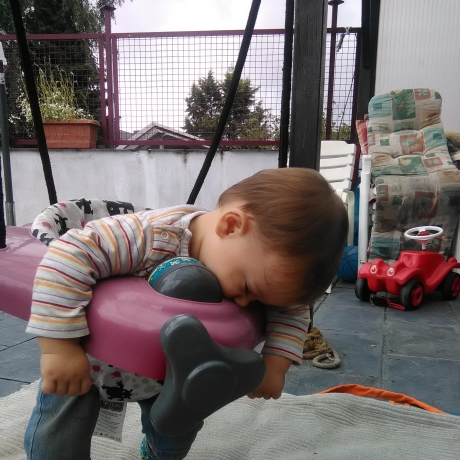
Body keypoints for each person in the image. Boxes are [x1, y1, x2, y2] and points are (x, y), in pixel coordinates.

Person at [24, 167, 348, 460]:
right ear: (230, 226)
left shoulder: (257, 261)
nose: (245, 303)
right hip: (87, 362)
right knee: (59, 436)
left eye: (259, 300)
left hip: (170, 373)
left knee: (177, 431)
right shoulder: (147, 235)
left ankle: (156, 453)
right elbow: (67, 256)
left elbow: (291, 308)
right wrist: (59, 349)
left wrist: (276, 363)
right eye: (248, 287)